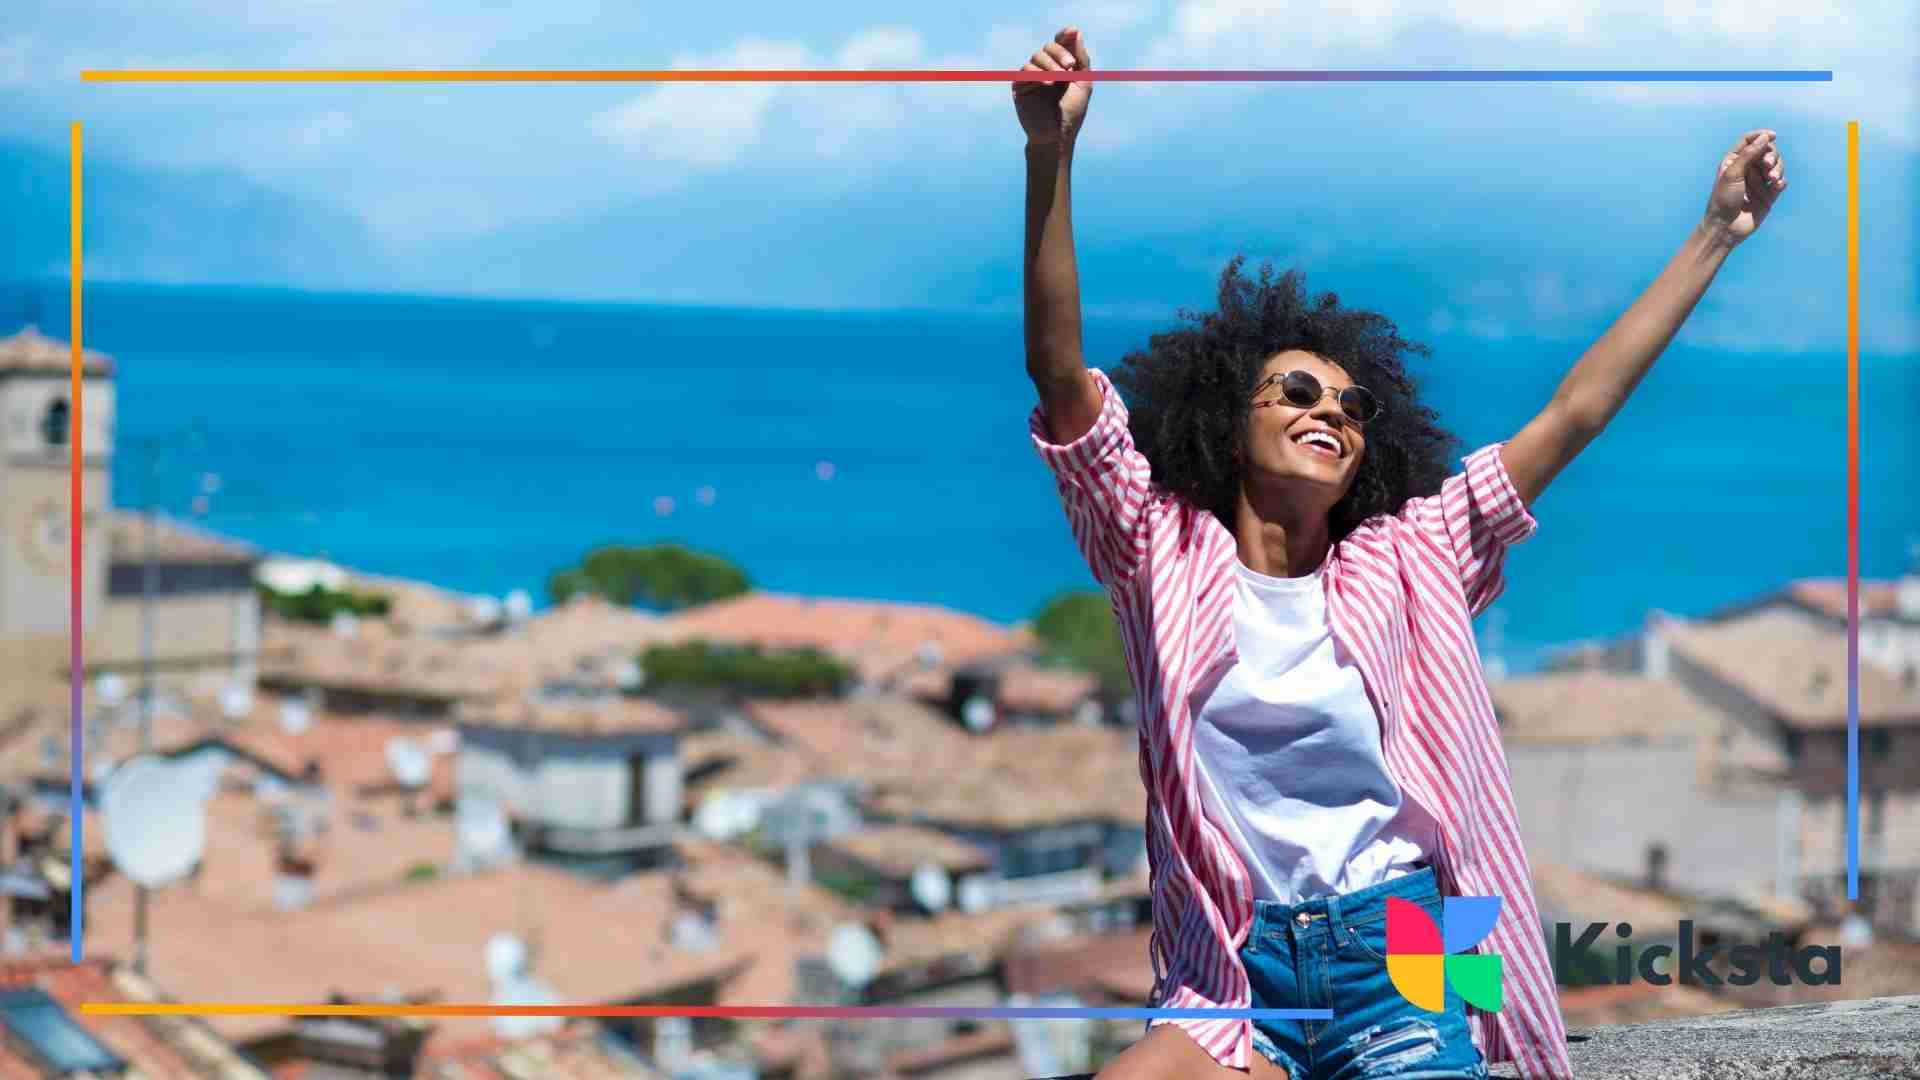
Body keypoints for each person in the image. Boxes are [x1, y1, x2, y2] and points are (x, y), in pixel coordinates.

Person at [1012, 25, 1788, 1080]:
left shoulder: (1411, 555)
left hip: (1411, 944)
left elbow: (1578, 410)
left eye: (1351, 403)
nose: (1329, 409)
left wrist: (1717, 232)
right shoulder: (1157, 552)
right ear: (1223, 421)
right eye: (1295, 391)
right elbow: (1063, 384)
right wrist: (1048, 159)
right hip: (1232, 967)